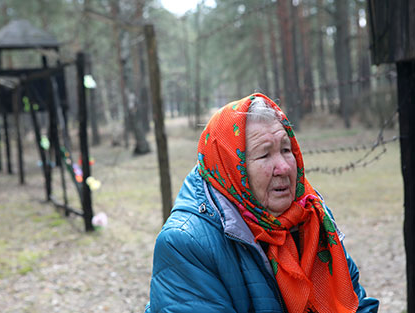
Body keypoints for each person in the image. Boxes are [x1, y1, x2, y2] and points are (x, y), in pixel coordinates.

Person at [145, 93, 379, 313]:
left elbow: (356, 302)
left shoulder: (312, 216)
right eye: (265, 155)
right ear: (232, 170)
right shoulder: (185, 243)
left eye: (286, 150)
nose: (285, 167)